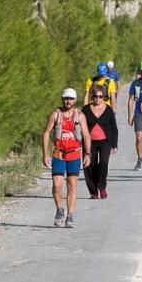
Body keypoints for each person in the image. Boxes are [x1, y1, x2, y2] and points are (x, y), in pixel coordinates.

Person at [43, 88, 92, 228]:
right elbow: (46, 133)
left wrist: (88, 154)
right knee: (57, 185)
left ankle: (70, 215)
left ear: (75, 100)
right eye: (66, 98)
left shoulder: (80, 116)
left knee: (72, 185)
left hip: (74, 154)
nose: (68, 101)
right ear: (62, 99)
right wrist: (45, 153)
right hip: (58, 154)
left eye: (71, 99)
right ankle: (59, 209)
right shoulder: (55, 115)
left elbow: (87, 135)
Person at [83, 87, 118, 199]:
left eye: (100, 96)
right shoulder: (86, 109)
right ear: (92, 97)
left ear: (104, 97)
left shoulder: (108, 109)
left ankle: (102, 187)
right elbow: (81, 126)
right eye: (95, 96)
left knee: (103, 163)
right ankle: (93, 191)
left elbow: (114, 128)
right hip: (90, 142)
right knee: (89, 165)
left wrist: (114, 144)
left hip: (105, 141)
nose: (97, 99)